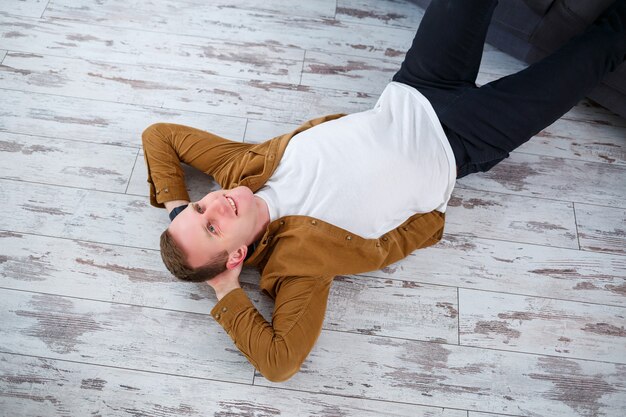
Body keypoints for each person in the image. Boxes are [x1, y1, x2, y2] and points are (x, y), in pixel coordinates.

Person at [142, 0, 625, 382]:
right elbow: (279, 362)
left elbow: (158, 135)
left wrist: (176, 207)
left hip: (417, 85)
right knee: (599, 50)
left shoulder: (237, 170)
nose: (215, 202)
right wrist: (225, 291)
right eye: (211, 226)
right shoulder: (299, 267)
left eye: (201, 204)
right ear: (235, 256)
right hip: (464, 141)